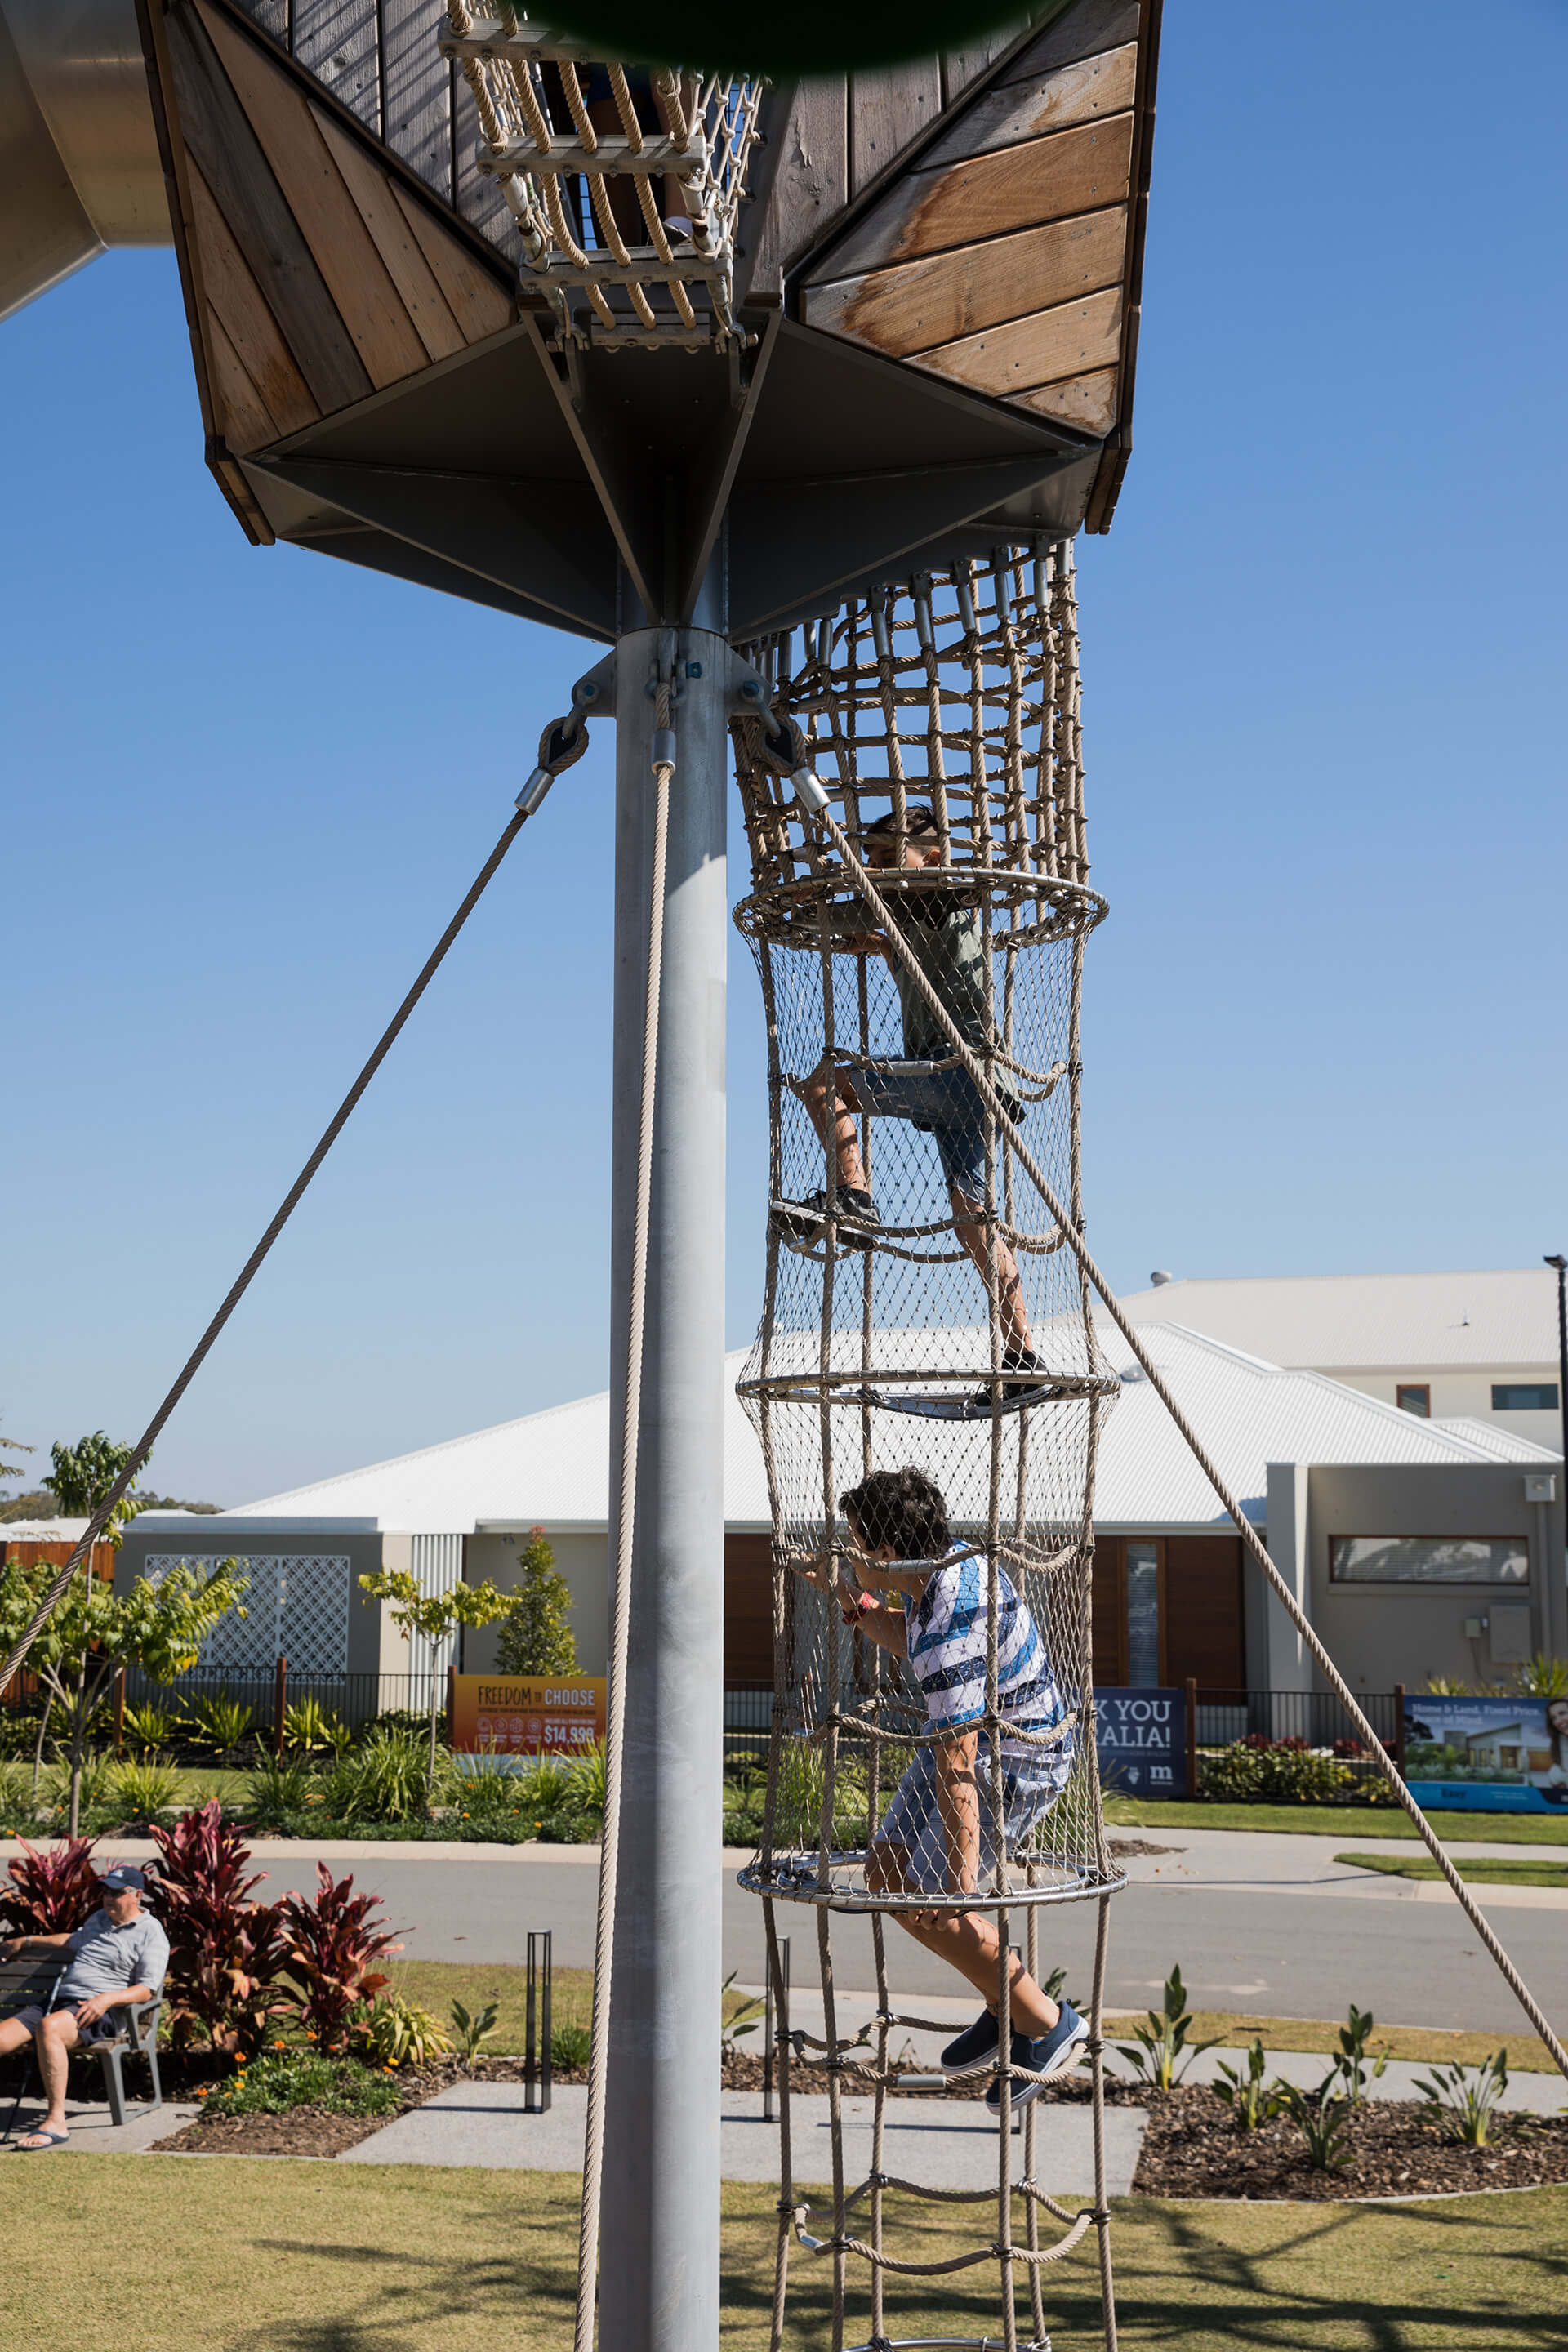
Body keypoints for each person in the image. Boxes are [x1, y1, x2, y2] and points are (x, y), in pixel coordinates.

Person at [795, 1465, 1087, 2113]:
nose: (850, 1555)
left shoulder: (956, 1620)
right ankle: (1004, 2001)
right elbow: (907, 1639)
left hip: (1016, 1760)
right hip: (960, 1745)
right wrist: (846, 1594)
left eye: (854, 1548)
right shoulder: (939, 1571)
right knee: (887, 1876)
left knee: (934, 1901)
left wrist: (961, 1881)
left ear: (888, 1553)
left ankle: (1043, 2023)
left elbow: (961, 1765)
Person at [774, 804, 1046, 1405]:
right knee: (974, 1221)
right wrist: (840, 924)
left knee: (826, 1086)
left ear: (933, 858)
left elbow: (868, 911)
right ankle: (1023, 1353)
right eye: (868, 857)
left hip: (957, 1070)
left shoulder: (942, 902)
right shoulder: (896, 919)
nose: (873, 866)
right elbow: (852, 925)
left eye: (883, 855)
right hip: (966, 1086)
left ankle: (855, 1198)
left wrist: (829, 894)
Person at [0, 1863, 168, 2149]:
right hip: (57, 2001)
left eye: (117, 1893)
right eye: (105, 1891)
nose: (108, 1898)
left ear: (137, 1895)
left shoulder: (151, 1933)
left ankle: (56, 2122)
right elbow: (72, 1941)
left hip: (101, 2011)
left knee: (50, 2028)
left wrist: (105, 1999)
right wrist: (26, 1941)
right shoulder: (99, 1919)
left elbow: (146, 1989)